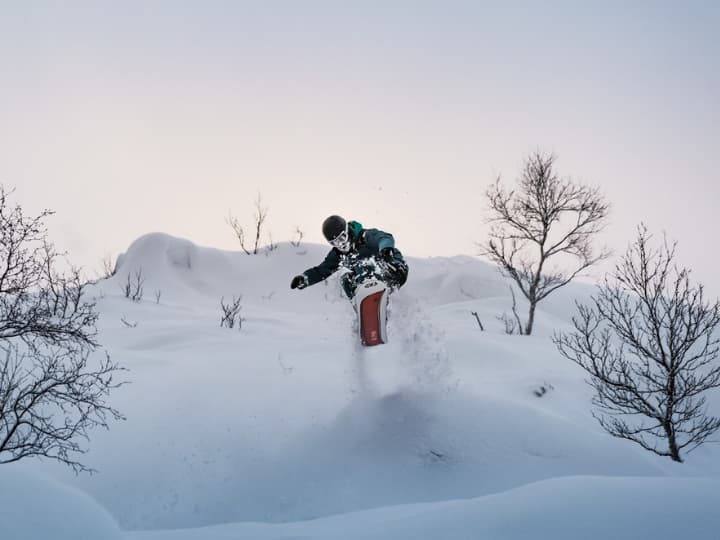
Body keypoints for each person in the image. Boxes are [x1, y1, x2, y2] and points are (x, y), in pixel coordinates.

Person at [290, 215, 408, 299]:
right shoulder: (338, 253)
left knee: (364, 265)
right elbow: (322, 270)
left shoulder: (364, 236)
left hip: (393, 269)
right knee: (346, 280)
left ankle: (374, 296)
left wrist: (386, 249)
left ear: (347, 231)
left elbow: (384, 237)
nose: (341, 244)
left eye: (342, 238)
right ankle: (364, 310)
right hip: (369, 280)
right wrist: (305, 279)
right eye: (335, 242)